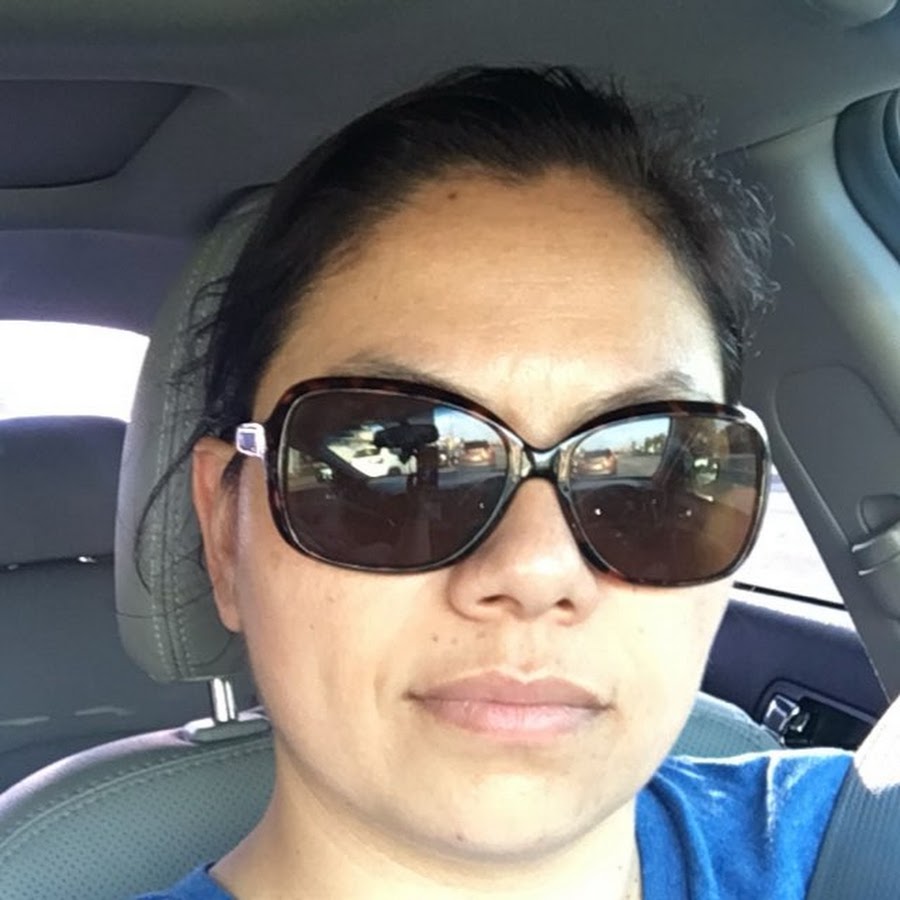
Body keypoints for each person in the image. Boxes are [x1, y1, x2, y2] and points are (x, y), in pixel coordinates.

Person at [136, 66, 850, 900]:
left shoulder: (854, 835)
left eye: (651, 472)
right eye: (401, 468)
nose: (536, 569)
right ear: (225, 535)